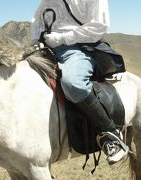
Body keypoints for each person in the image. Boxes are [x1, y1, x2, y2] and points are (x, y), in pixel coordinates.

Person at [30, 0, 129, 164]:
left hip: (76, 49)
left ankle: (111, 135)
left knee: (73, 84)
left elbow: (99, 25)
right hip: (44, 50)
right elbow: (36, 20)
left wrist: (62, 38)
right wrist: (36, 41)